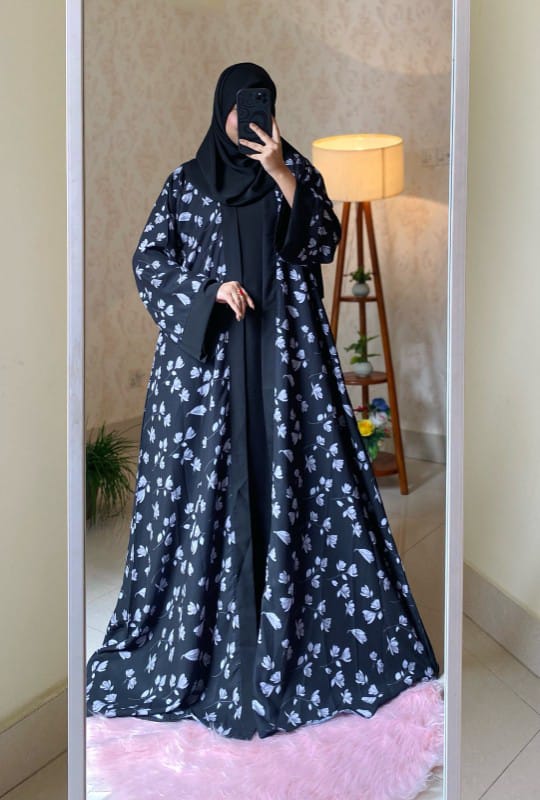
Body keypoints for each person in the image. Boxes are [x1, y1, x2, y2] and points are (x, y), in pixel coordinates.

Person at [86, 62, 440, 740]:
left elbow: (324, 241)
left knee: (295, 484)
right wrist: (207, 292)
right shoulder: (185, 184)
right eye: (241, 105)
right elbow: (149, 262)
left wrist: (281, 173)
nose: (250, 117)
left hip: (286, 369)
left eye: (264, 104)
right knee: (209, 492)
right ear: (220, 108)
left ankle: (298, 629)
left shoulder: (294, 169)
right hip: (209, 377)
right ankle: (206, 638)